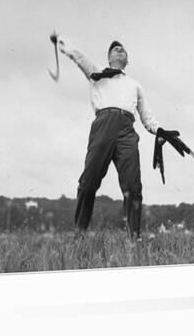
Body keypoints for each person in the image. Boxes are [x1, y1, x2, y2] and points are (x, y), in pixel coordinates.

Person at [53, 34, 182, 241]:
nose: (119, 49)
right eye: (115, 49)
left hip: (126, 130)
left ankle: (134, 239)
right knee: (88, 183)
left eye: (122, 48)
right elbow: (81, 58)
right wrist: (65, 46)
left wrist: (160, 131)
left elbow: (147, 116)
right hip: (103, 126)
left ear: (127, 60)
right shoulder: (98, 74)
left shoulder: (135, 85)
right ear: (109, 58)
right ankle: (79, 235)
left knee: (133, 186)